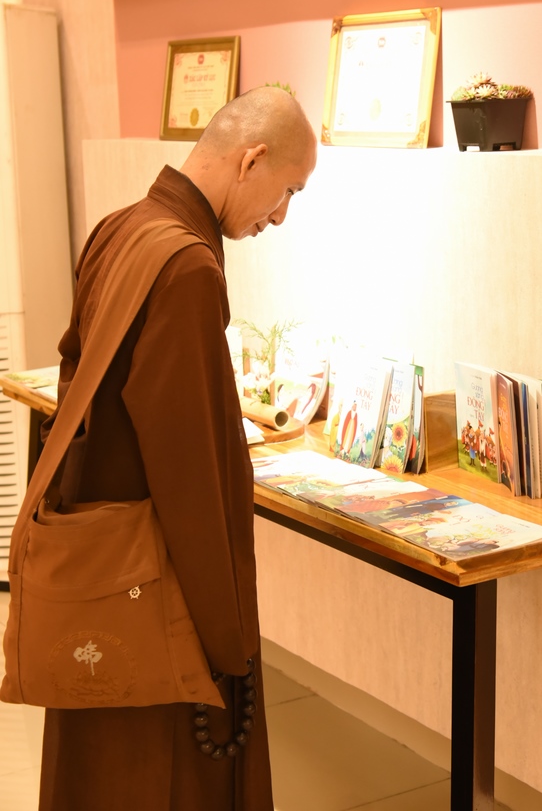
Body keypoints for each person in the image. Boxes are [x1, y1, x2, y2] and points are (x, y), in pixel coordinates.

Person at [38, 86, 317, 811]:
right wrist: (228, 641)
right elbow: (191, 477)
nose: (280, 216)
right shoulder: (187, 268)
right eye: (287, 190)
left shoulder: (119, 228)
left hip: (98, 563)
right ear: (251, 160)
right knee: (161, 779)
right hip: (154, 587)